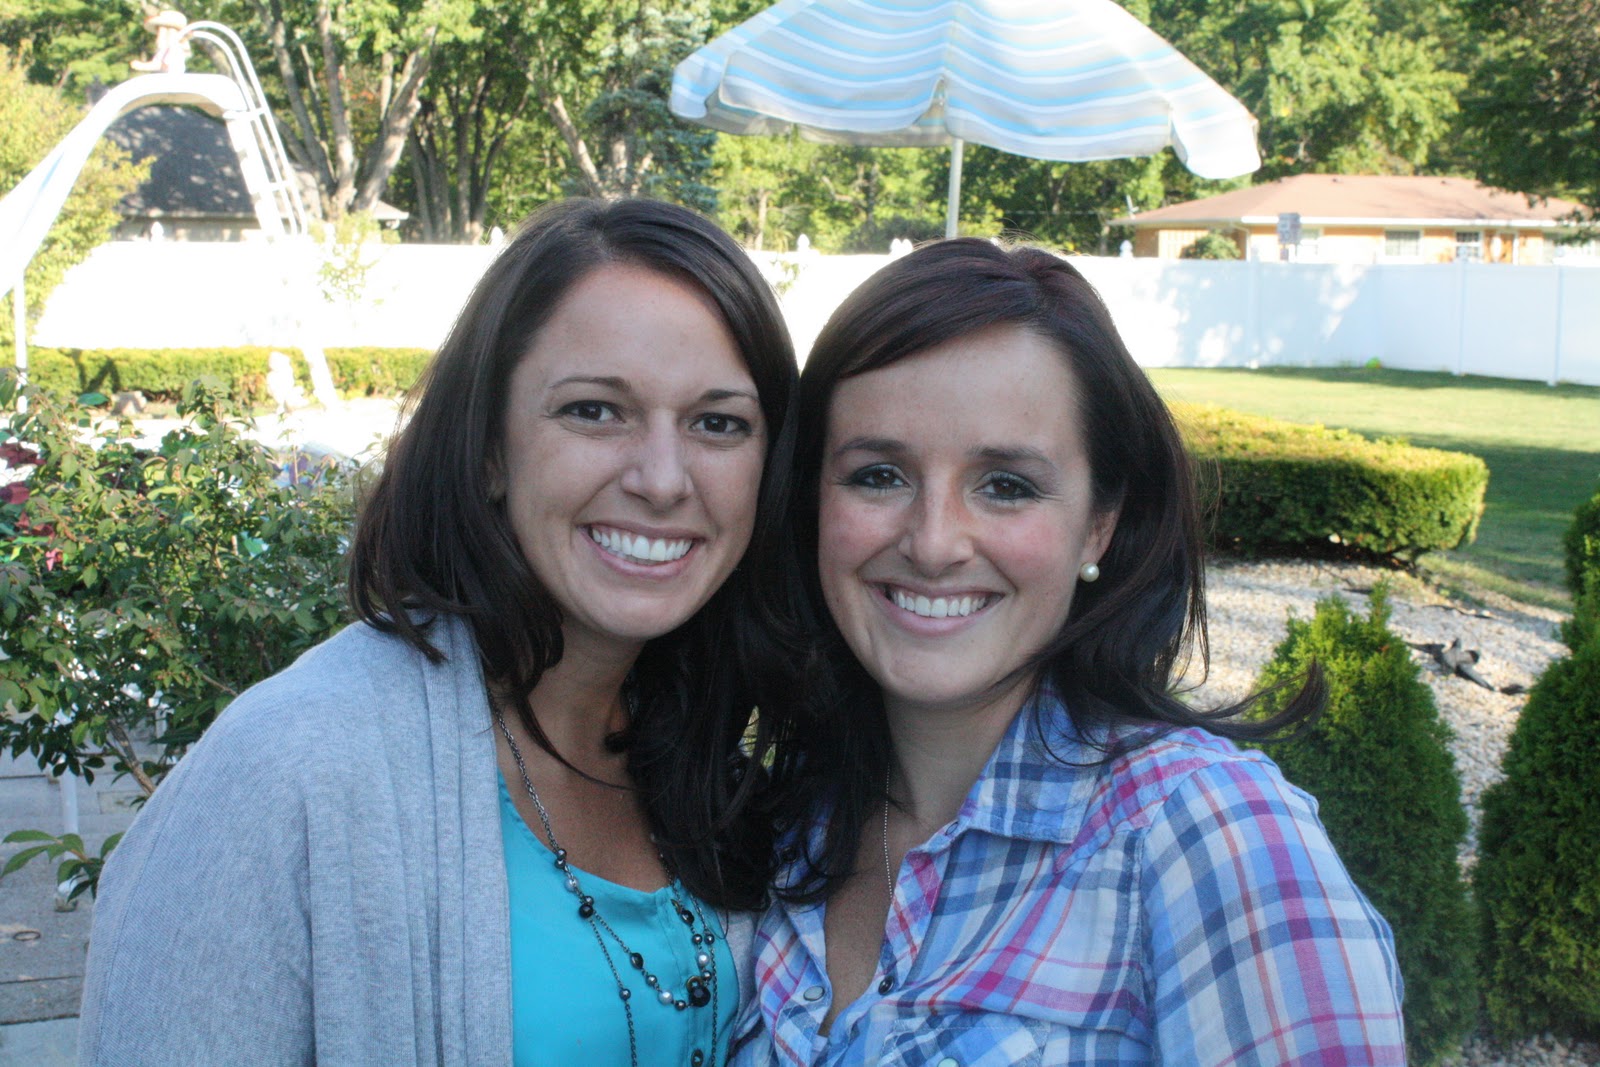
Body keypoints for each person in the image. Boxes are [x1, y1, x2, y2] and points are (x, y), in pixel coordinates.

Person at [78, 198, 804, 1066]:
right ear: (489, 448)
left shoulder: (703, 756)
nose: (661, 478)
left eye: (718, 423)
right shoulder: (288, 769)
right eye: (594, 410)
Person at [730, 239, 1406, 1066]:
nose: (934, 542)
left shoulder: (1210, 835)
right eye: (878, 475)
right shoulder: (782, 821)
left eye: (1006, 485)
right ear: (810, 501)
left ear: (1100, 525)